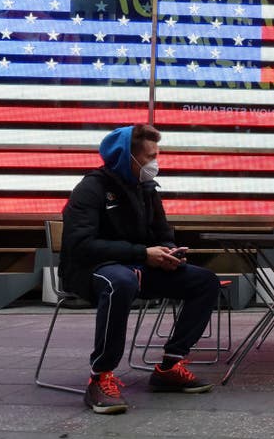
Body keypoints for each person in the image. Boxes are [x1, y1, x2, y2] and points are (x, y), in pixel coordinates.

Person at [60, 124, 220, 415]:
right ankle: (101, 377)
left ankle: (169, 366)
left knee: (205, 281)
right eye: (149, 156)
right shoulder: (91, 188)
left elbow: (162, 231)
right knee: (120, 281)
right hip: (93, 271)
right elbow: (80, 245)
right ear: (126, 157)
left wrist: (168, 251)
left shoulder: (147, 189)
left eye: (157, 155)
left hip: (138, 265)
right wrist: (141, 253)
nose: (155, 163)